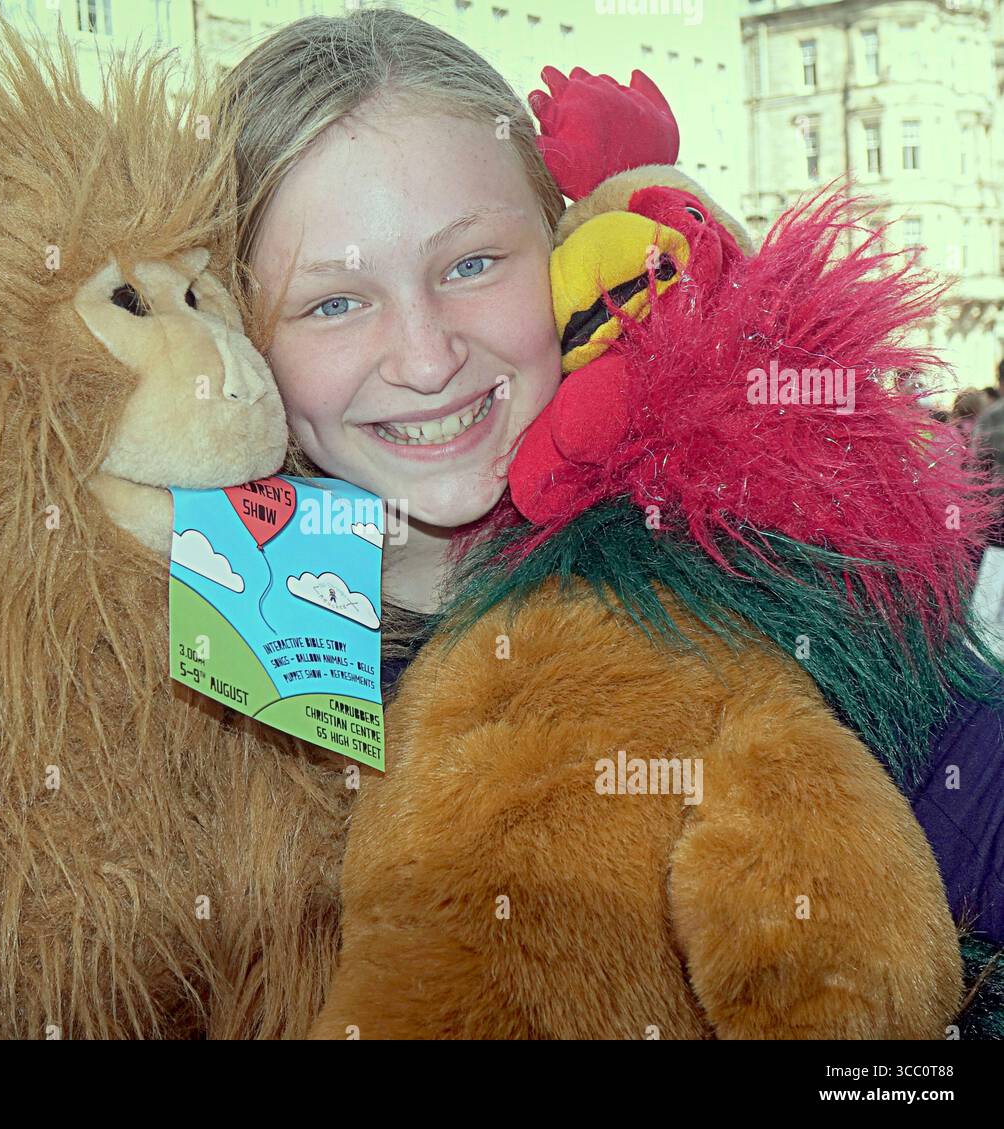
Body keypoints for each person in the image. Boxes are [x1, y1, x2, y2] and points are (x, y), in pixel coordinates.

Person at [214, 8, 1003, 941]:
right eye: (334, 301)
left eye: (471, 263)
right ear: (234, 329)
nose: (426, 360)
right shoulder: (200, 629)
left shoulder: (751, 554)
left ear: (567, 250)